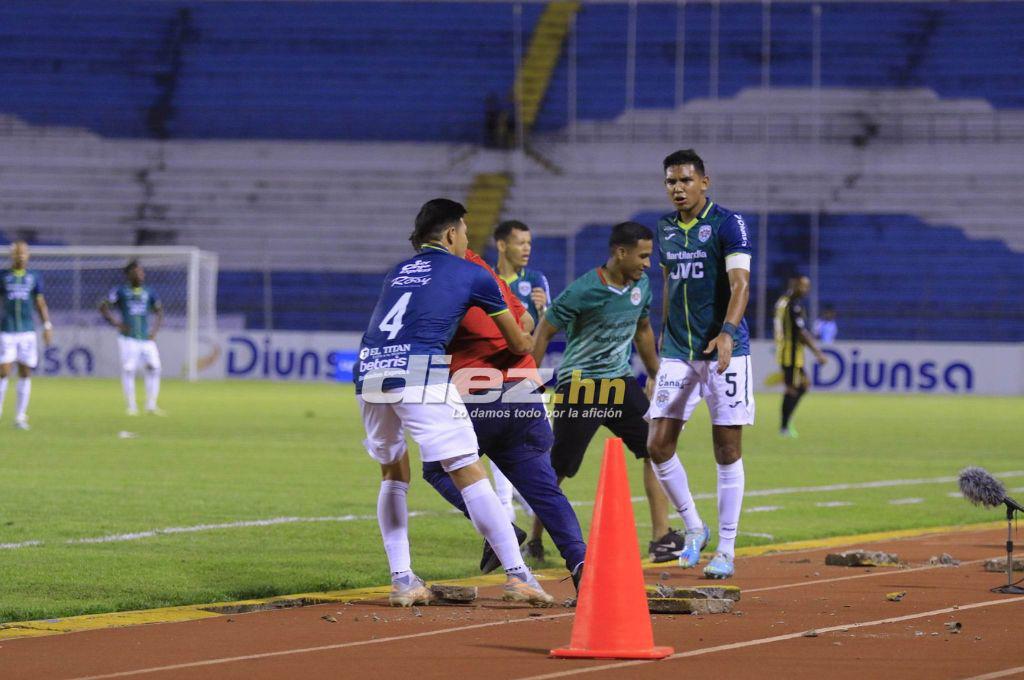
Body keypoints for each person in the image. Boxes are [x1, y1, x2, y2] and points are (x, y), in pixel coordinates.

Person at [355, 198, 553, 607]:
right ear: (450, 234)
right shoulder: (471, 273)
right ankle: (519, 576)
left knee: (393, 474)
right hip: (419, 369)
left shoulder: (397, 272)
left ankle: (403, 579)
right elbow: (518, 343)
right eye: (464, 231)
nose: (466, 239)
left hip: (370, 369)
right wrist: (531, 323)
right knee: (468, 471)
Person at [419, 245, 586, 586]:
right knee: (545, 491)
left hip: (476, 394)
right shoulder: (484, 269)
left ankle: (501, 527)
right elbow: (524, 319)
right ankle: (582, 562)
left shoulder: (438, 279)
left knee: (437, 468)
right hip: (524, 392)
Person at [529, 222, 684, 564]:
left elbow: (643, 329)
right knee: (560, 467)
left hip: (621, 382)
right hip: (581, 385)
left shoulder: (641, 285)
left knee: (655, 448)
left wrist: (657, 373)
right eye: (642, 256)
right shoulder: (584, 289)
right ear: (620, 252)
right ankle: (534, 537)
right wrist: (530, 381)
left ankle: (661, 537)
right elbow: (544, 330)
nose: (647, 264)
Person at [645, 149, 755, 580]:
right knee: (657, 445)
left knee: (726, 451)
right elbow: (670, 281)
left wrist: (727, 331)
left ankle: (726, 549)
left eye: (685, 181)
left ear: (704, 182)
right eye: (671, 181)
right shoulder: (665, 228)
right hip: (677, 351)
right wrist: (661, 329)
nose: (677, 188)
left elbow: (741, 282)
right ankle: (695, 527)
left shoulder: (729, 224)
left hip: (725, 352)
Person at [491, 220, 551, 519]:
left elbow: (549, 330)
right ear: (502, 245)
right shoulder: (485, 279)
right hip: (494, 375)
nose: (526, 248)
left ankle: (523, 497)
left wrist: (543, 313)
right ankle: (505, 512)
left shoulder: (537, 280)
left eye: (529, 242)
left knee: (541, 445)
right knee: (500, 442)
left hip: (527, 376)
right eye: (520, 242)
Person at [100, 260, 165, 416]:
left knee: (155, 367)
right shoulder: (120, 291)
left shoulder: (149, 292)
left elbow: (159, 312)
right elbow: (103, 306)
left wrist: (154, 331)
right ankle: (131, 406)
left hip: (145, 337)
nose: (140, 274)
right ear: (129, 274)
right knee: (129, 370)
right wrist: (116, 323)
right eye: (137, 272)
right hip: (128, 338)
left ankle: (151, 405)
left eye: (142, 272)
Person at [0, 241, 53, 430]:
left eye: (23, 253)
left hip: (27, 331)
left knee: (25, 371)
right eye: (17, 253)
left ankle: (20, 416)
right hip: (6, 330)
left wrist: (47, 325)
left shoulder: (34, 277)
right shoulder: (3, 276)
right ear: (11, 256)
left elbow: (40, 303)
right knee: (3, 370)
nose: (20, 256)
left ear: (28, 256)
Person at [774, 275, 827, 438]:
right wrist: (818, 352)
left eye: (807, 286)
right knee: (793, 389)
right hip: (790, 353)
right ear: (794, 284)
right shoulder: (792, 305)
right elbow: (801, 332)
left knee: (802, 385)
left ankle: (785, 424)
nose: (806, 290)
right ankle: (784, 426)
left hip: (788, 351)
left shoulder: (783, 301)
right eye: (803, 286)